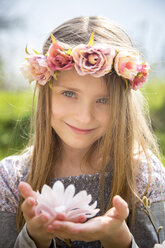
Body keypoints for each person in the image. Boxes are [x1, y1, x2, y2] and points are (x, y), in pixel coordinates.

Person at [0, 16, 165, 248]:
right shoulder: (11, 179)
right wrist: (34, 239)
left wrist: (120, 241)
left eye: (104, 99)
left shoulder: (144, 175)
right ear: (44, 89)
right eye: (69, 94)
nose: (84, 117)